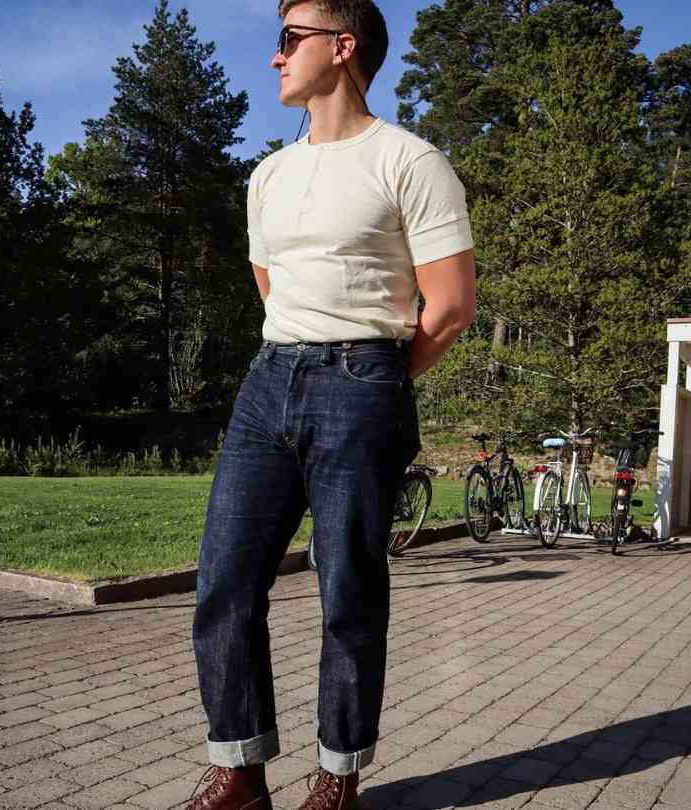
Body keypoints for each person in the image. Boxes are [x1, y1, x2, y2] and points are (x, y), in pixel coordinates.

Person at [189, 0, 476, 807]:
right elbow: (271, 287)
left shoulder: (410, 161)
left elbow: (450, 306)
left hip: (363, 380)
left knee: (347, 589)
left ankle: (338, 776)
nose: (276, 57)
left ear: (343, 47)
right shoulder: (269, 174)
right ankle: (239, 770)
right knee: (224, 578)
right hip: (266, 382)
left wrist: (374, 378)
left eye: (290, 39)